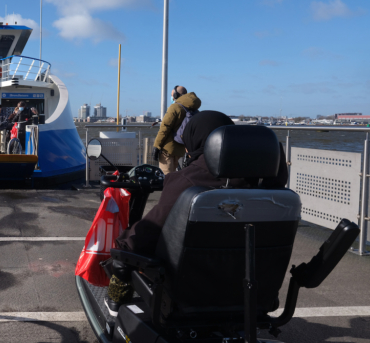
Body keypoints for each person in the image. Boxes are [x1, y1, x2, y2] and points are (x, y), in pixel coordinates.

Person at [106, 111, 288, 313]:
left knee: (124, 256)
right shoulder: (272, 190)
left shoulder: (188, 182)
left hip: (188, 295)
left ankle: (115, 308)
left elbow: (150, 231)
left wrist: (122, 250)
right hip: (255, 294)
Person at [153, 85, 201, 175]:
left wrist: (157, 146)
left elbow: (165, 128)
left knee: (166, 177)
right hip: (180, 148)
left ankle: (168, 189)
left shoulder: (175, 107)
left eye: (172, 95)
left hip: (167, 149)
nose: (172, 97)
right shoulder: (192, 108)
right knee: (174, 176)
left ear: (175, 95)